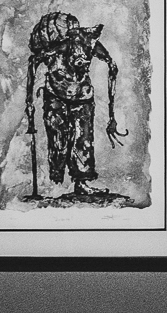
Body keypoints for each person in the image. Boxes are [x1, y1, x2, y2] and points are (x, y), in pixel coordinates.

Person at [26, 12, 125, 201]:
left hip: (83, 97)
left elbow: (112, 65)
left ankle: (81, 183)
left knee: (83, 140)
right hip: (56, 96)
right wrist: (29, 102)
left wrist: (112, 114)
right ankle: (54, 183)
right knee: (58, 141)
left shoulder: (90, 43)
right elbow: (34, 62)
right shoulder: (59, 48)